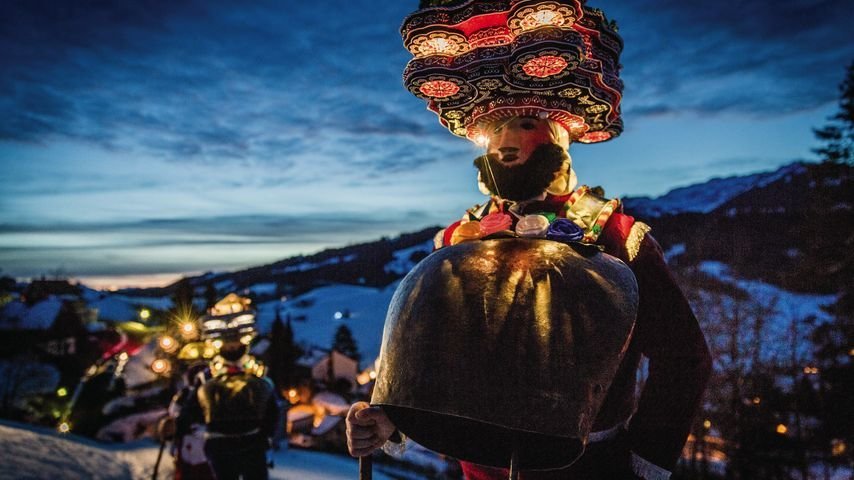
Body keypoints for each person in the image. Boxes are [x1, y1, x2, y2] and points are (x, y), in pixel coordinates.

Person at [177, 339, 279, 480]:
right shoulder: (207, 376)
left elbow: (271, 408)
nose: (232, 346)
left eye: (235, 341)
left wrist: (266, 434)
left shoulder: (257, 373)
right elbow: (192, 408)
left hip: (252, 441)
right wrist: (180, 425)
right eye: (228, 341)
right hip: (220, 442)